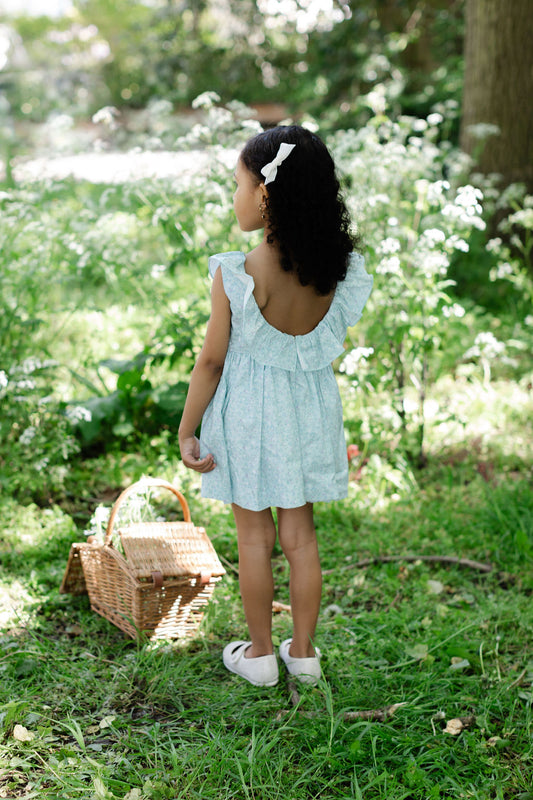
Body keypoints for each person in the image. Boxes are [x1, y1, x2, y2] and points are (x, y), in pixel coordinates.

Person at [178, 125, 372, 687]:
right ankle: (304, 654)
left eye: (238, 184)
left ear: (265, 193)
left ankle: (260, 654)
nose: (235, 197)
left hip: (246, 418)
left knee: (254, 540)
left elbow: (210, 362)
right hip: (307, 417)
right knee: (301, 538)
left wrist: (189, 430)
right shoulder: (334, 271)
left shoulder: (239, 272)